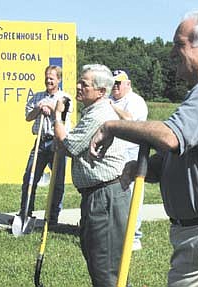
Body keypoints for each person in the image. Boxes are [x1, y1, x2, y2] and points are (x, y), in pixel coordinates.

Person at [89, 11, 198, 287]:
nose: (172, 54)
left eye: (179, 45)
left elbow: (171, 136)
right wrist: (151, 168)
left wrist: (111, 127)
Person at [53, 64, 131, 287]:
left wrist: (58, 116)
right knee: (99, 262)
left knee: (105, 268)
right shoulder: (95, 112)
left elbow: (68, 146)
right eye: (79, 81)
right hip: (98, 195)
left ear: (101, 92)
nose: (78, 86)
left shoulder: (98, 115)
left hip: (105, 196)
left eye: (84, 84)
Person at [17, 65, 72, 225]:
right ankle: (25, 213)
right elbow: (28, 117)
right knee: (29, 177)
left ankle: (53, 218)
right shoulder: (37, 97)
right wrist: (39, 108)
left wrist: (51, 107)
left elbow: (63, 116)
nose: (48, 80)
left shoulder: (65, 98)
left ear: (59, 80)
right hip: (40, 141)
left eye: (52, 78)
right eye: (47, 77)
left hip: (57, 142)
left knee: (57, 182)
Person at [110, 69, 148, 251]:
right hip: (114, 153)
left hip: (132, 154)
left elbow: (130, 120)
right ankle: (117, 232)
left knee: (133, 196)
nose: (115, 86)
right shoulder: (110, 99)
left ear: (128, 84)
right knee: (115, 195)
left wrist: (111, 106)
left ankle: (134, 237)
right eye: (113, 83)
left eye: (118, 83)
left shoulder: (135, 101)